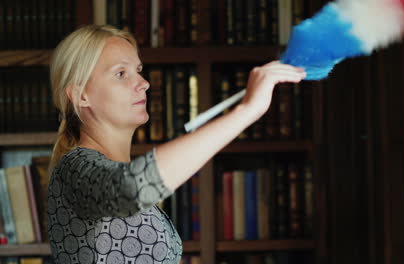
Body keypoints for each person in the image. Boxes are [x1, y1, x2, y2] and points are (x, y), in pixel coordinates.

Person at [47, 24, 306, 264]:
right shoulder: (75, 168)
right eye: (121, 73)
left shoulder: (104, 170)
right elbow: (132, 187)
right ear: (81, 96)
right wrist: (247, 111)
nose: (144, 83)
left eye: (138, 71)